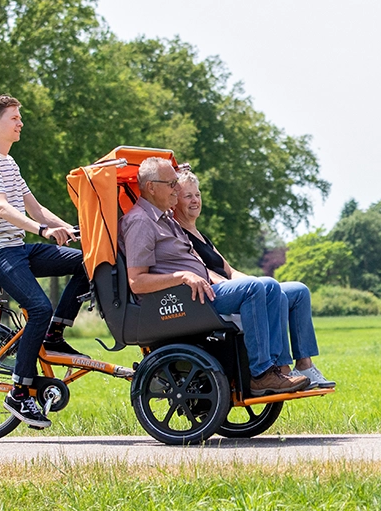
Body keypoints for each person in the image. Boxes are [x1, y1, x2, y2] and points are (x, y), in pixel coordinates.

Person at [117, 157, 311, 395]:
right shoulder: (140, 222)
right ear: (150, 187)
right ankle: (260, 374)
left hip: (201, 290)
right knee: (254, 288)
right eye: (171, 183)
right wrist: (183, 276)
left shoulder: (164, 218)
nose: (176, 188)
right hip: (182, 299)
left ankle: (279, 370)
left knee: (269, 287)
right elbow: (136, 282)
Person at [0, 94, 89, 428]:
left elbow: (35, 208)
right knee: (38, 308)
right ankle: (19, 392)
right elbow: (2, 208)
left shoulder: (9, 163)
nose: (21, 123)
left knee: (86, 263)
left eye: (20, 118)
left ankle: (54, 334)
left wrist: (74, 229)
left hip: (16, 248)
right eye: (14, 118)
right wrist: (43, 231)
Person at [173, 170, 335, 389]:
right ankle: (281, 369)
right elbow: (203, 272)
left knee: (298, 291)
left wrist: (256, 282)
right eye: (188, 196)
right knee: (265, 286)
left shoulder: (200, 234)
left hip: (232, 287)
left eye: (198, 195)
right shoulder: (179, 235)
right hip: (215, 295)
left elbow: (229, 270)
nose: (195, 200)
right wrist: (250, 287)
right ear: (174, 202)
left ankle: (305, 366)